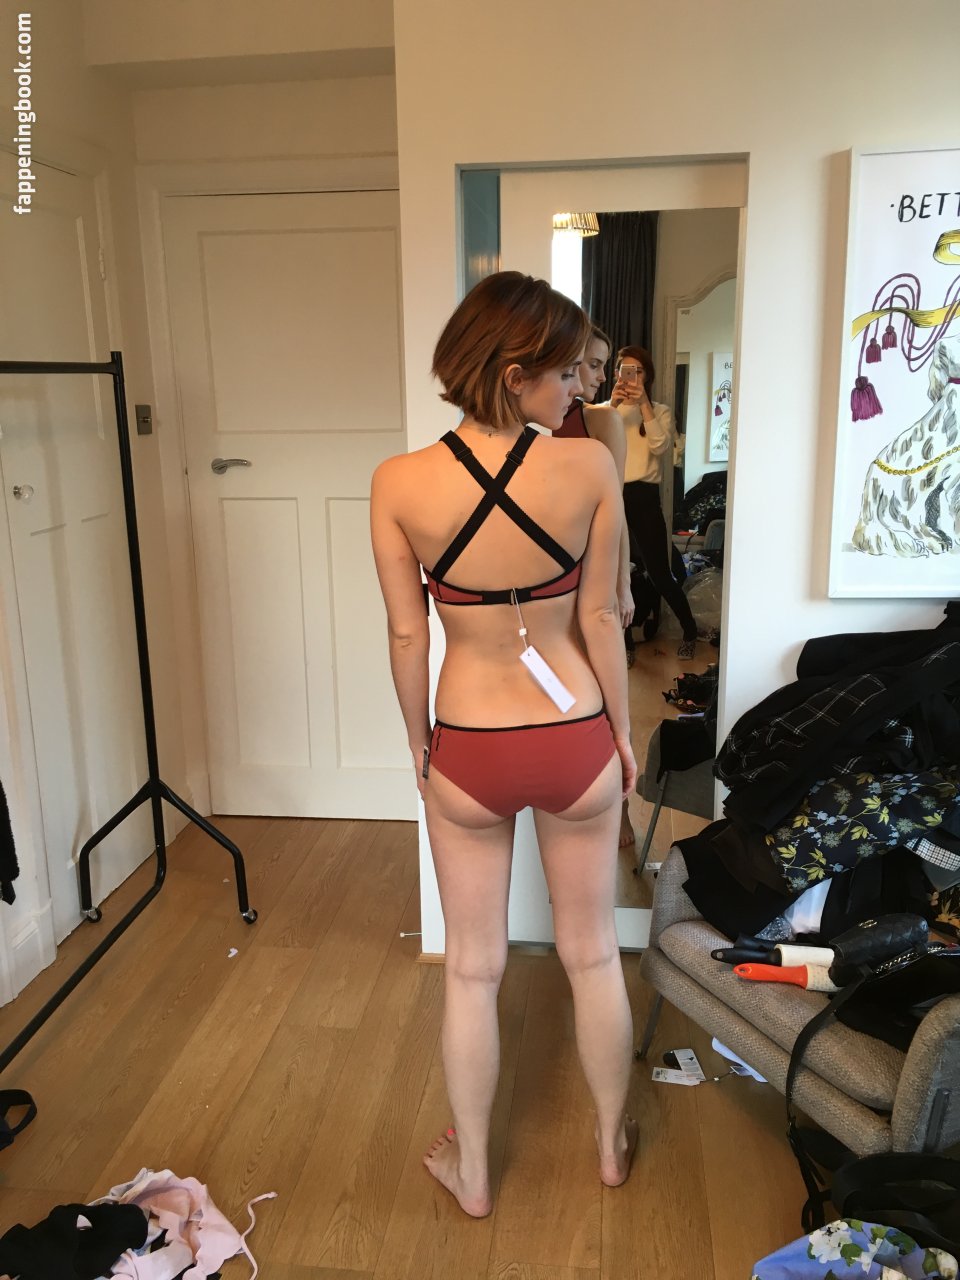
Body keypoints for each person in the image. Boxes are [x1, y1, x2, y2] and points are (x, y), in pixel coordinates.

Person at [370, 271, 638, 1218]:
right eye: (565, 374)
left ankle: (475, 1172)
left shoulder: (399, 482)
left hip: (470, 747)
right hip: (575, 740)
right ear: (514, 373)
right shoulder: (588, 469)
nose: (578, 391)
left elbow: (408, 635)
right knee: (593, 955)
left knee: (473, 969)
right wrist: (623, 735)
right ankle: (610, 1146)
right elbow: (600, 617)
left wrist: (419, 745)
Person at [556, 326, 638, 849]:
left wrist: (621, 582)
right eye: (592, 364)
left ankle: (618, 809)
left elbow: (617, 510)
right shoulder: (527, 424)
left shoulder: (601, 421)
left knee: (606, 695)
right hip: (543, 586)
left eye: (604, 365)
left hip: (592, 578)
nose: (602, 376)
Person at [611, 344, 698, 660]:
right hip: (611, 495)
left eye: (637, 371)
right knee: (617, 575)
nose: (631, 377)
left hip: (645, 497)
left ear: (646, 376)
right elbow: (593, 446)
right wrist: (612, 405)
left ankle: (689, 631)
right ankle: (625, 644)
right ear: (616, 374)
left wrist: (644, 404)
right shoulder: (605, 411)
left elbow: (661, 447)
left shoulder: (659, 411)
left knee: (660, 573)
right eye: (625, 370)